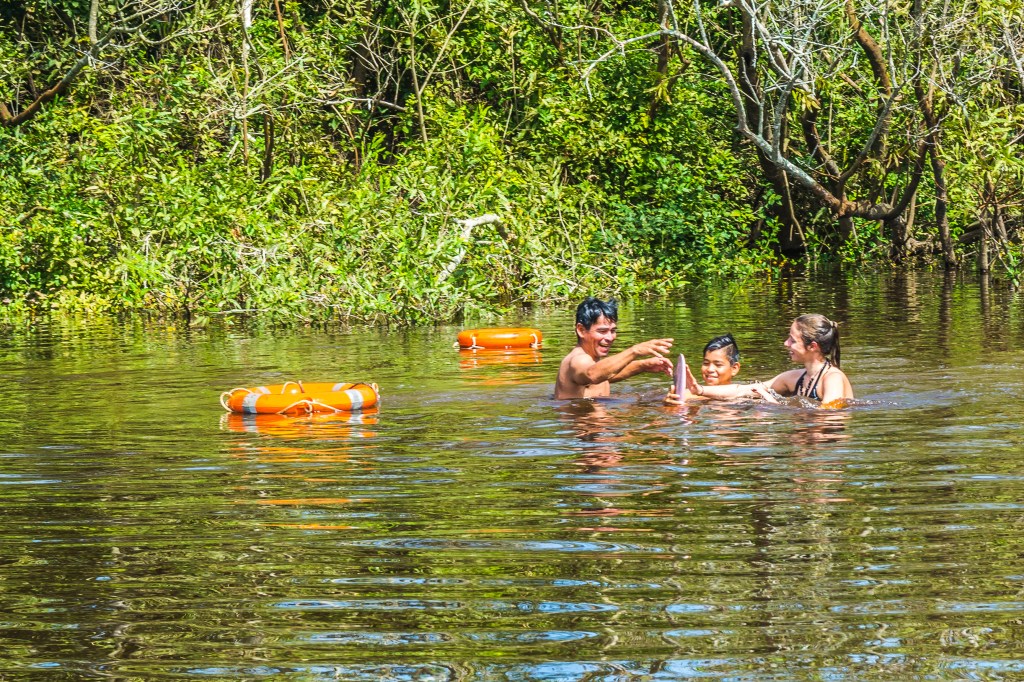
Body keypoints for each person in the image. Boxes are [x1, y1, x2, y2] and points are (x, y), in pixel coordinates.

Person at [680, 314, 854, 407]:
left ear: (812, 346)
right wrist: (700, 390)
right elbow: (743, 390)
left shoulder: (832, 378)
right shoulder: (793, 378)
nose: (786, 344)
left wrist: (774, 405)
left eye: (792, 340)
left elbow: (828, 418)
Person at [554, 297, 674, 399]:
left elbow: (606, 375)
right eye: (602, 331)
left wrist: (643, 365)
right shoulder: (579, 359)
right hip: (583, 420)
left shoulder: (591, 359)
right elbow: (593, 374)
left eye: (612, 331)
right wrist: (635, 351)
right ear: (581, 330)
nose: (610, 337)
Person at [664, 333, 741, 404]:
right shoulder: (685, 395)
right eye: (706, 363)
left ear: (734, 368)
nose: (710, 369)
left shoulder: (742, 396)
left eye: (718, 365)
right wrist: (669, 406)